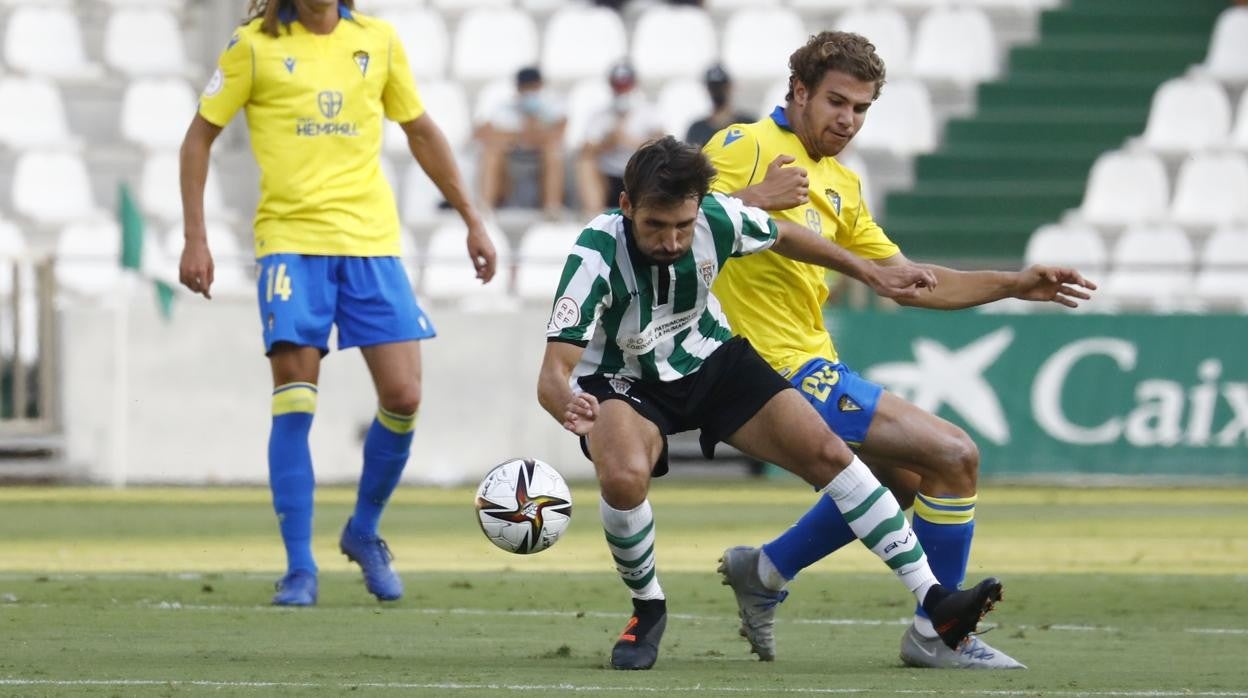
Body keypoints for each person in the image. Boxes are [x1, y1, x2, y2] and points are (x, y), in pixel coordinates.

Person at [537, 136, 1006, 671]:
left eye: (682, 227)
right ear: (626, 207)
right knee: (622, 478)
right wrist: (568, 404)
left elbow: (784, 234)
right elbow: (553, 374)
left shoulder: (716, 218)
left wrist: (870, 272)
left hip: (712, 361)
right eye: (655, 226)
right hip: (626, 380)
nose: (671, 241)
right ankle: (648, 609)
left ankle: (935, 600)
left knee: (830, 454)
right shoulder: (594, 254)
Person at [703, 31, 1096, 668]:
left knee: (905, 477)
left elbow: (911, 282)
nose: (847, 120)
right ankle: (938, 635)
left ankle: (767, 571)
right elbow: (683, 216)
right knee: (954, 454)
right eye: (836, 101)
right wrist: (760, 206)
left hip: (813, 363)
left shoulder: (842, 186)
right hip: (760, 367)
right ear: (799, 91)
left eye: (860, 109)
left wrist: (1013, 283)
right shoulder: (742, 145)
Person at [178, 0, 497, 607]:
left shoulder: (376, 40)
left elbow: (422, 130)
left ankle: (363, 530)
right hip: (291, 246)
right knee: (296, 401)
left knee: (403, 397)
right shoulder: (253, 46)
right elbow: (197, 141)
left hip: (372, 245)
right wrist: (197, 236)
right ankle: (300, 568)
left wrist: (471, 219)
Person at [575, 61, 664, 219]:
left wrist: (630, 141)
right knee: (585, 163)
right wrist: (607, 143)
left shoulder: (650, 112)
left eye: (625, 86)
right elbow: (586, 150)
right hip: (609, 177)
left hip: (639, 175)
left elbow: (663, 144)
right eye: (618, 86)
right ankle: (594, 214)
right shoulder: (599, 115)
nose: (622, 91)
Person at [477, 66, 567, 219]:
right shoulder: (504, 108)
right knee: (491, 153)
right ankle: (486, 207)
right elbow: (484, 133)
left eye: (533, 87)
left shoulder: (553, 107)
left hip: (540, 161)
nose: (530, 92)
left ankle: (552, 207)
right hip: (510, 163)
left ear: (540, 87)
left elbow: (557, 135)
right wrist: (525, 136)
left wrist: (519, 135)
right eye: (526, 88)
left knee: (553, 152)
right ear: (518, 88)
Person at [684, 64, 753, 148]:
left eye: (721, 87)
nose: (717, 92)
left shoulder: (749, 124)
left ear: (730, 87)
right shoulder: (697, 129)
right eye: (713, 87)